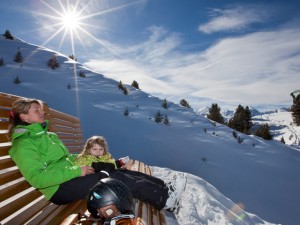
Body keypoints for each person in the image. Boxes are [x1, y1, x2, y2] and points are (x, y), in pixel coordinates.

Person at [8, 98, 108, 205]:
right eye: (37, 110)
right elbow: (36, 178)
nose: (42, 112)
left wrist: (88, 158)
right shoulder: (23, 144)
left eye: (41, 109)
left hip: (71, 176)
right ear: (24, 117)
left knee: (108, 167)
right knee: (107, 180)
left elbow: (66, 158)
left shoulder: (49, 135)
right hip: (58, 188)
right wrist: (77, 171)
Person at [74, 135, 187, 212]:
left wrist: (119, 162)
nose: (98, 152)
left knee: (136, 175)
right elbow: (90, 167)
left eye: (101, 149)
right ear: (88, 150)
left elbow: (109, 164)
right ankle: (165, 200)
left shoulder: (103, 157)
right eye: (95, 149)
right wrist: (110, 165)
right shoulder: (85, 160)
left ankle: (165, 188)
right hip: (100, 185)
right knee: (133, 182)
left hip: (107, 175)